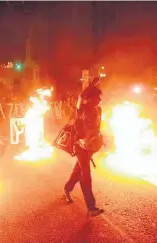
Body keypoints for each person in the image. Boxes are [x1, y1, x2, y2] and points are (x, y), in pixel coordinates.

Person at [63, 79, 104, 218]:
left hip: (91, 147)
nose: (99, 99)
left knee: (78, 172)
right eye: (96, 96)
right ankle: (91, 207)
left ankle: (67, 189)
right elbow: (81, 97)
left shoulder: (99, 110)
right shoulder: (82, 108)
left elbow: (97, 127)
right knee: (86, 175)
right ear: (89, 97)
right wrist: (91, 84)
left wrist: (99, 139)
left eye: (100, 97)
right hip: (80, 147)